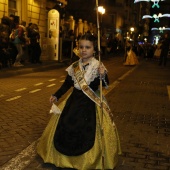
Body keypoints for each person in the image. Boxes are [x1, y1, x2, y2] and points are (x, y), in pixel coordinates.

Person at [37, 33, 121, 169]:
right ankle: (65, 158)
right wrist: (56, 95)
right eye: (81, 47)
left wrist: (102, 75)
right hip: (73, 102)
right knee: (66, 123)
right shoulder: (74, 66)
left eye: (87, 47)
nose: (84, 50)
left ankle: (87, 160)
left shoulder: (98, 65)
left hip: (91, 103)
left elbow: (105, 84)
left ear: (94, 49)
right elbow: (66, 84)